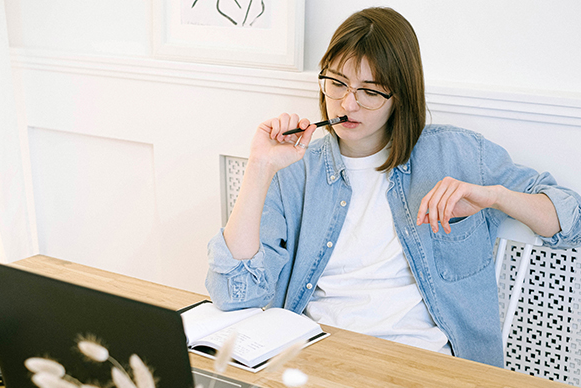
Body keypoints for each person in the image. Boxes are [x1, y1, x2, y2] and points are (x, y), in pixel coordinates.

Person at [205, 7, 581, 367]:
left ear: (398, 96)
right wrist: (259, 167)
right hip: (316, 357)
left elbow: (571, 219)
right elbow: (234, 294)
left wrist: (494, 197)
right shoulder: (295, 170)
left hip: (424, 364)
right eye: (336, 83)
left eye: (369, 91)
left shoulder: (457, 153)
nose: (347, 103)